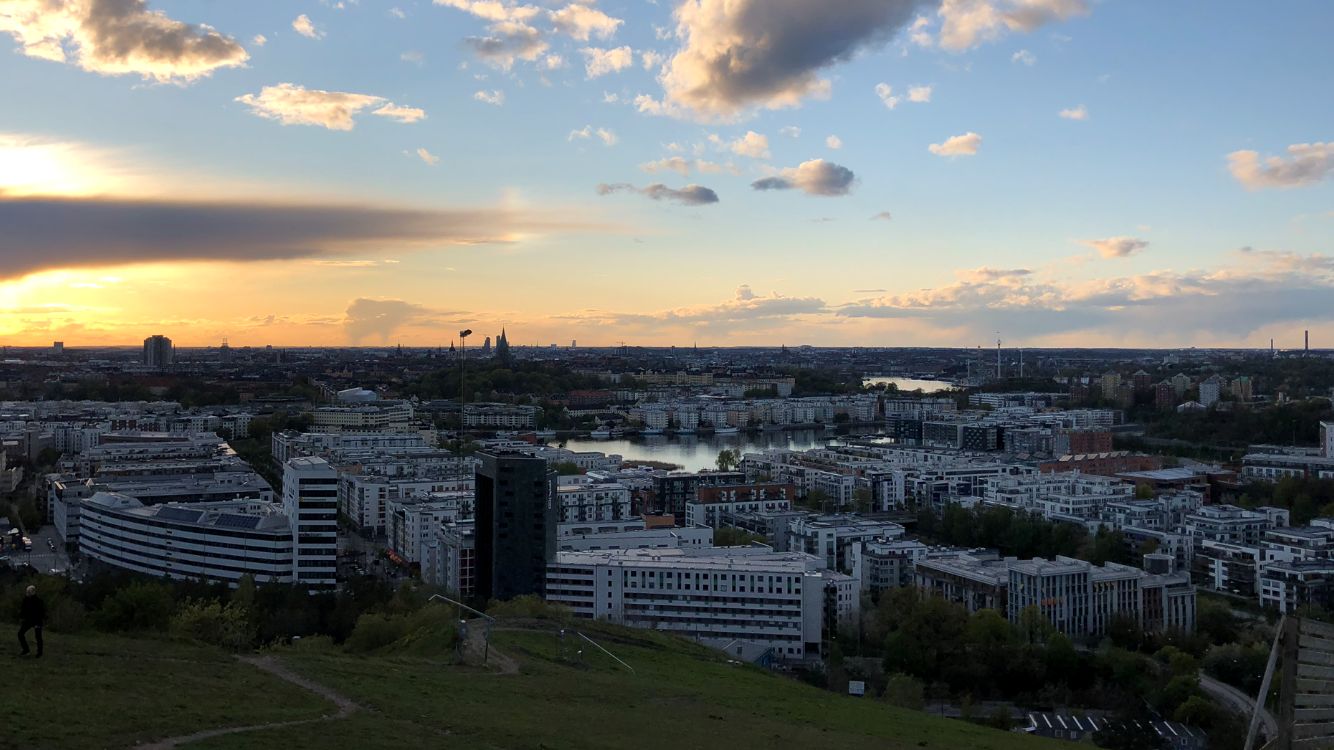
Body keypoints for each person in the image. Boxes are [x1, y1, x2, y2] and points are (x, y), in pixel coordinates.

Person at [18, 585, 44, 658]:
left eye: (29, 591)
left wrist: (38, 623)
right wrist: (21, 618)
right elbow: (23, 610)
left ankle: (39, 653)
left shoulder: (38, 601)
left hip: (37, 621)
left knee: (38, 637)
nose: (27, 593)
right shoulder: (26, 600)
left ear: (33, 592)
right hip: (28, 620)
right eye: (27, 591)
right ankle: (26, 650)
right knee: (20, 634)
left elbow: (41, 612)